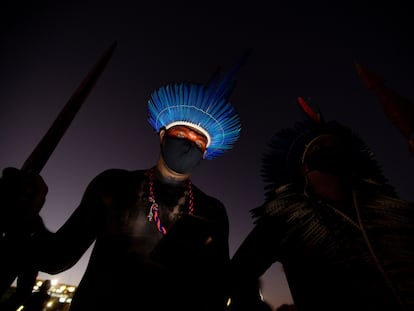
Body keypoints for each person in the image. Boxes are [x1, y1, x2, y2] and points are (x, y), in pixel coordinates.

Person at [0, 58, 244, 311]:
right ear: (162, 136)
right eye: (181, 135)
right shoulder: (113, 185)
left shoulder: (212, 211)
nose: (188, 145)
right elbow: (56, 258)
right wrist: (27, 217)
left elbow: (216, 292)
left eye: (198, 142)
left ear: (205, 152)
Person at [228, 96, 414, 311]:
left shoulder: (389, 210)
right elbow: (238, 274)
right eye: (319, 147)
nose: (328, 149)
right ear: (303, 166)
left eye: (333, 145)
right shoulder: (287, 219)